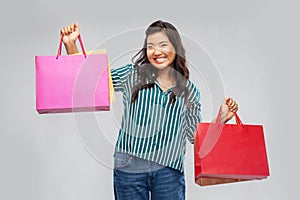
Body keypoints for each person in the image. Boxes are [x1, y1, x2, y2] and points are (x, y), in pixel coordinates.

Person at [60, 20, 238, 200]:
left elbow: (195, 136)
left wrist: (221, 119)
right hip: (130, 167)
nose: (157, 51)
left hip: (169, 171)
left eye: (163, 45)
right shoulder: (133, 74)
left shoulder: (189, 91)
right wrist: (71, 45)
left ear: (175, 48)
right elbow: (93, 83)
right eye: (150, 46)